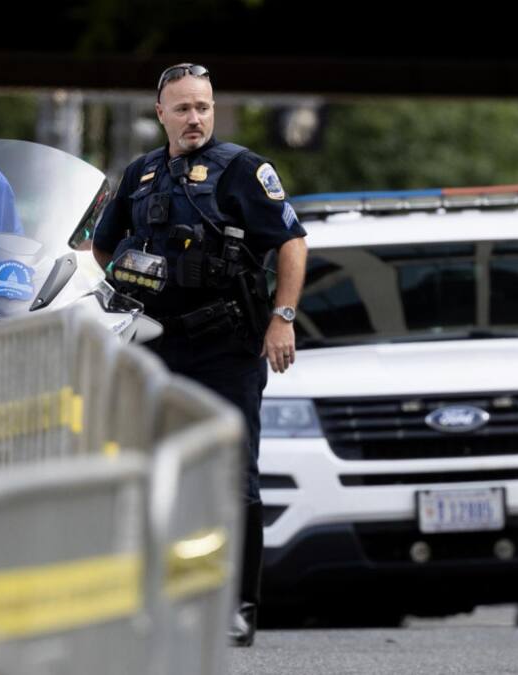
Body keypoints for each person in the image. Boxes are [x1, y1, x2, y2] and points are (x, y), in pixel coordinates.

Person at [92, 63, 308, 648]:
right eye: (184, 108)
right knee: (156, 472)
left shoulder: (243, 170)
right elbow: (102, 244)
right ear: (160, 113)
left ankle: (238, 604)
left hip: (226, 346)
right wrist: (128, 279)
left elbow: (291, 242)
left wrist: (282, 318)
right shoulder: (139, 174)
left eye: (204, 107)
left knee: (234, 474)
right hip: (157, 345)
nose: (195, 118)